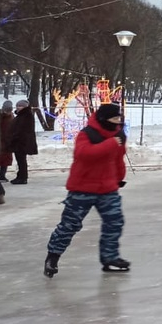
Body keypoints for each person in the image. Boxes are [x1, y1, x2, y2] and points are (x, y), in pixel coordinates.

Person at [44, 103, 130, 276]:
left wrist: (119, 178)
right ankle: (52, 257)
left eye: (119, 119)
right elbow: (84, 154)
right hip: (82, 188)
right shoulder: (87, 134)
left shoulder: (119, 135)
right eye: (114, 119)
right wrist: (111, 144)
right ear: (103, 119)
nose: (117, 122)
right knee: (70, 225)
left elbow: (118, 159)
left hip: (107, 188)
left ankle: (110, 257)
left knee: (114, 222)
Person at [8, 99, 38, 184]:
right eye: (17, 105)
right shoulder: (22, 115)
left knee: (21, 160)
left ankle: (23, 177)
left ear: (24, 107)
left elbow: (21, 129)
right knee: (20, 160)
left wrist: (15, 137)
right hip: (20, 141)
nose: (18, 107)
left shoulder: (26, 115)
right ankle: (20, 176)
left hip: (22, 141)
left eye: (20, 106)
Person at [0, 100, 14, 182]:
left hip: (7, 141)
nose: (7, 112)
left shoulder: (11, 117)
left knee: (5, 160)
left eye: (9, 110)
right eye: (6, 110)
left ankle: (2, 176)